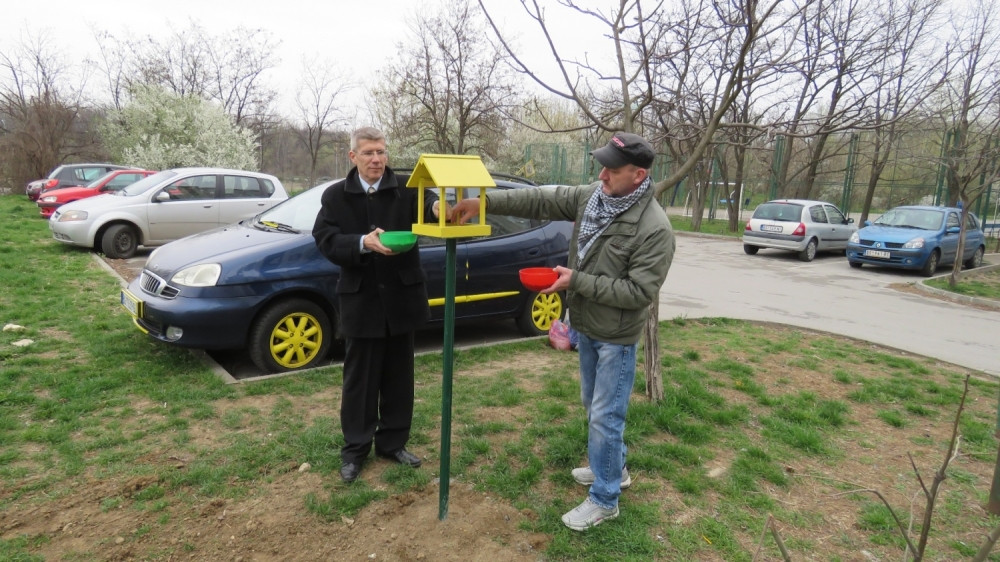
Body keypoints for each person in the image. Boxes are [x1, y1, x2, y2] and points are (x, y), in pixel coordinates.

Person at [450, 132, 675, 530]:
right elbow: (538, 199)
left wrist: (577, 282)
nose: (602, 174)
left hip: (616, 338)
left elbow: (639, 293)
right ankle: (615, 468)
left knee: (606, 417)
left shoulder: (654, 229)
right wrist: (480, 201)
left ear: (639, 175)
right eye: (601, 165)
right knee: (593, 409)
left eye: (613, 169)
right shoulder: (594, 196)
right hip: (586, 326)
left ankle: (605, 498)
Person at [313, 126, 446, 483]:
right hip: (362, 301)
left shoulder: (407, 188)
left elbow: (431, 206)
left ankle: (392, 443)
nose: (377, 159)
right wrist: (361, 243)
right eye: (369, 153)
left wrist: (437, 206)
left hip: (402, 299)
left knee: (400, 377)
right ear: (353, 156)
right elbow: (325, 240)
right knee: (360, 380)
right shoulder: (336, 196)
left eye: (382, 152)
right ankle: (355, 450)